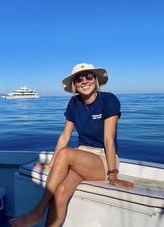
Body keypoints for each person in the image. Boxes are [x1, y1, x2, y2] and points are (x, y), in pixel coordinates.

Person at [9, 63, 134, 227]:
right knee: (60, 193)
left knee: (67, 153)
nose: (84, 81)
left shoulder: (109, 100)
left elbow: (109, 140)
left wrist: (112, 175)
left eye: (89, 76)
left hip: (102, 160)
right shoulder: (74, 103)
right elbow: (64, 136)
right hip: (81, 157)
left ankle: (37, 212)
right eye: (79, 78)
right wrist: (52, 163)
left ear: (96, 80)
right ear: (75, 85)